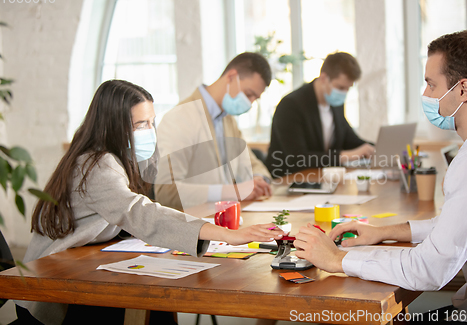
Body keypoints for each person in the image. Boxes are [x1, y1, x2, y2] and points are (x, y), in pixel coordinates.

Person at [14, 80, 283, 325]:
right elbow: (141, 212)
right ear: (113, 125)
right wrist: (227, 234)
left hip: (83, 268)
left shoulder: (119, 155)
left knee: (153, 299)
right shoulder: (96, 164)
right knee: (150, 304)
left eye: (151, 122)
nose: (150, 131)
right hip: (50, 291)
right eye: (140, 124)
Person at [294, 31, 467, 324]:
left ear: (463, 90)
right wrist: (384, 231)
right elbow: (457, 224)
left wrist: (337, 260)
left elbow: (430, 269)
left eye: (431, 85)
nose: (426, 95)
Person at [155, 52, 273, 211]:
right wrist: (232, 192)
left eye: (254, 98)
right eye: (248, 94)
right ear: (231, 77)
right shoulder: (180, 118)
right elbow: (166, 192)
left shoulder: (227, 119)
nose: (250, 103)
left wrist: (258, 180)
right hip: (195, 225)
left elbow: (253, 165)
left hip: (228, 220)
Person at [265, 52, 374, 178]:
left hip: (322, 179)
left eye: (348, 88)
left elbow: (349, 139)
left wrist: (374, 148)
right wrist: (349, 155)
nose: (344, 93)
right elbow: (298, 158)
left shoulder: (335, 104)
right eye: (340, 87)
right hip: (288, 182)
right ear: (323, 78)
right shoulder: (291, 105)